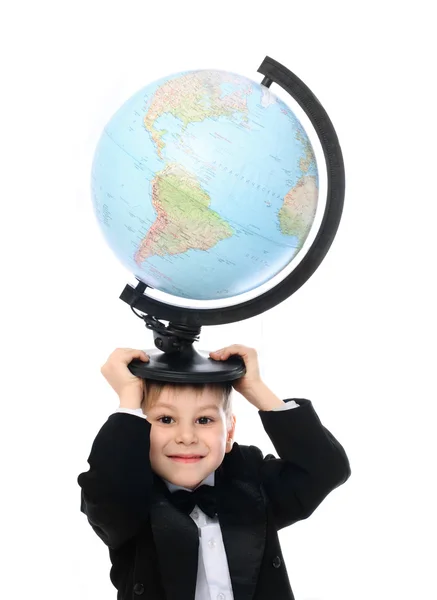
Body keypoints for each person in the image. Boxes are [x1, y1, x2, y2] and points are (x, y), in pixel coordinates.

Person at [77, 344, 351, 600]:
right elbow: (107, 494)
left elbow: (325, 469)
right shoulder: (128, 495)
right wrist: (128, 403)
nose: (186, 436)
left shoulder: (250, 476)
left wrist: (255, 388)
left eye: (204, 420)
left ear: (229, 431)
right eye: (165, 419)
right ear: (139, 430)